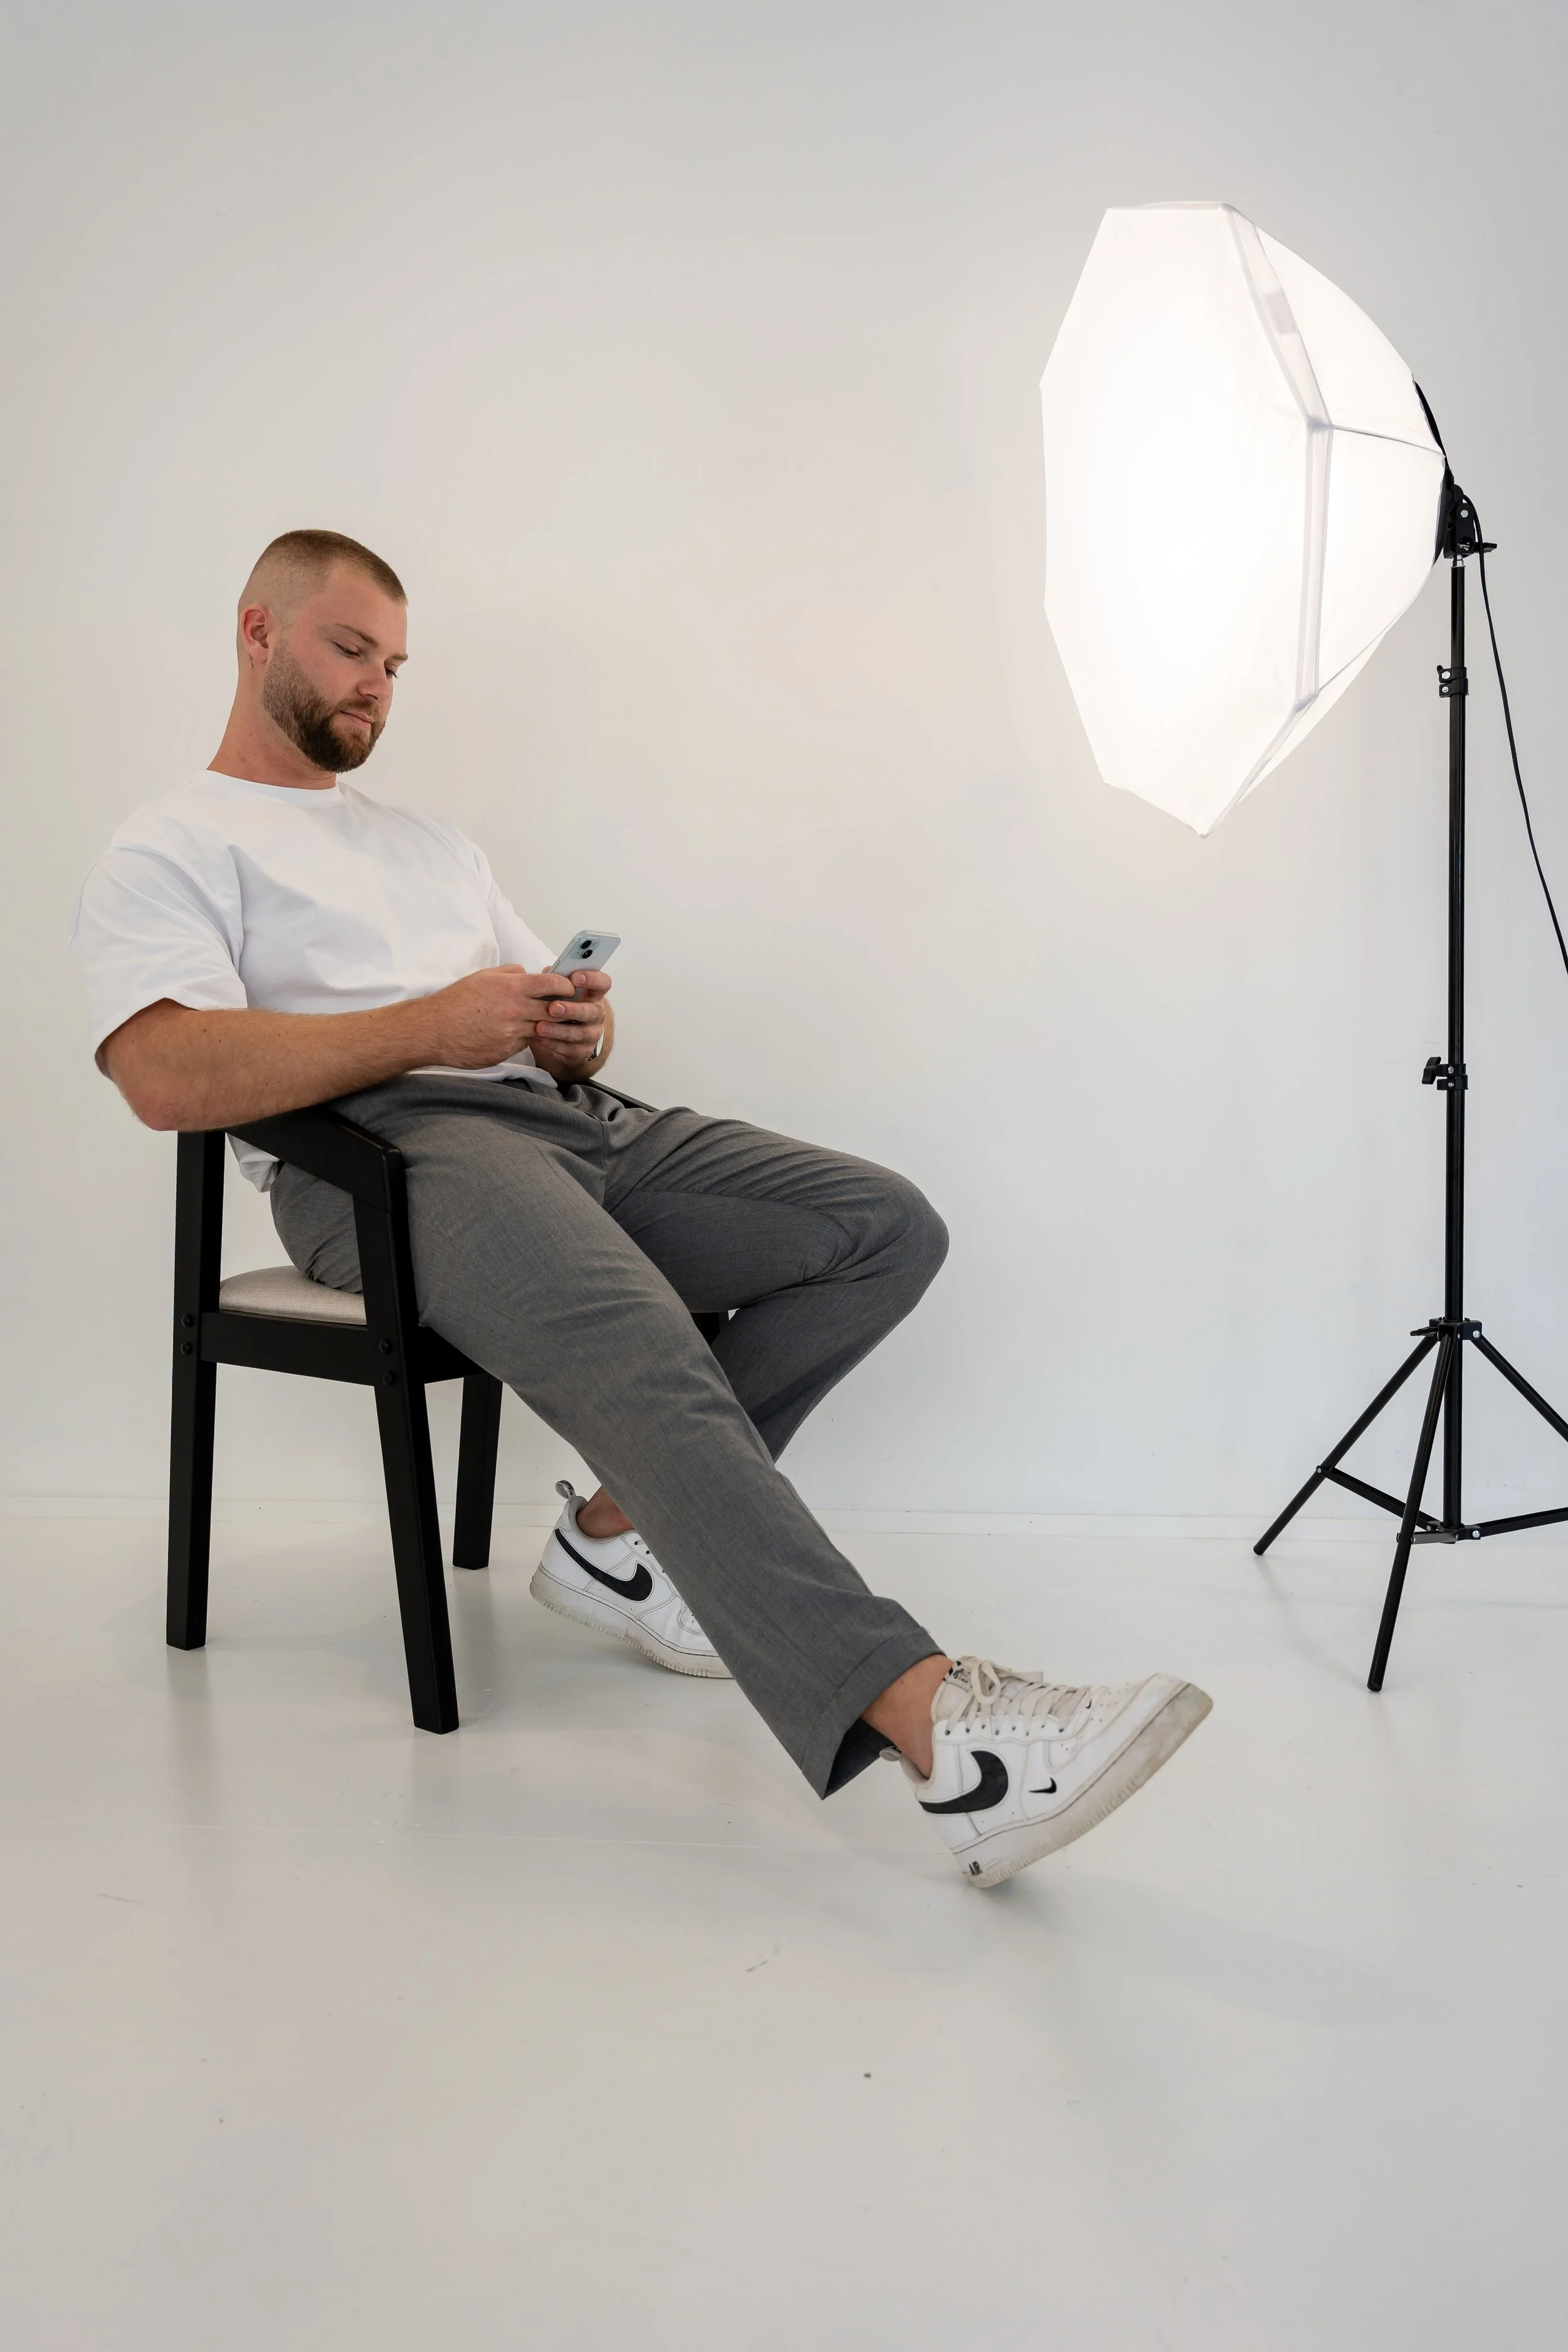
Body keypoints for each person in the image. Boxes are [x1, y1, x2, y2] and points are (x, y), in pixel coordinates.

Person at [72, 527, 1210, 1888]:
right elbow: (162, 1071)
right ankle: (947, 1740)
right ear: (257, 632)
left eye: (395, 664)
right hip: (381, 1164)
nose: (376, 685)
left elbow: (538, 1029)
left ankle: (616, 1539)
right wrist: (436, 1025)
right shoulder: (172, 842)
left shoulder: (432, 846)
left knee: (881, 1228)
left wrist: (567, 1036)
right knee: (642, 1347)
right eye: (349, 649)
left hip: (568, 1130)